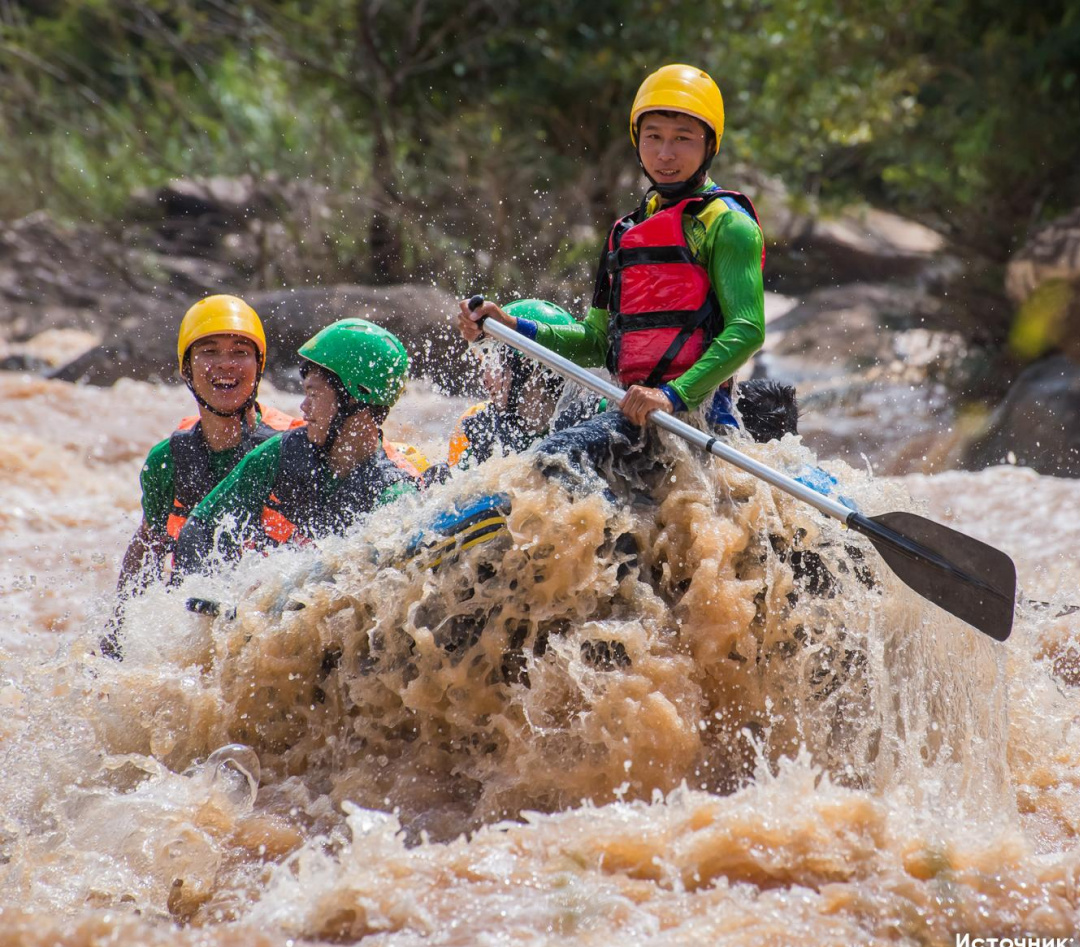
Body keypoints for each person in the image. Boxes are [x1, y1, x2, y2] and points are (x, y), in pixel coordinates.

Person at [456, 63, 764, 491]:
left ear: (710, 145)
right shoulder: (624, 234)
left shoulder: (728, 225)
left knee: (557, 457)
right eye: (653, 137)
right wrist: (510, 327)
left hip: (696, 414)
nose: (665, 154)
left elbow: (747, 330)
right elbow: (595, 342)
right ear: (638, 143)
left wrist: (671, 395)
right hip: (634, 411)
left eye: (682, 139)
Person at [103, 295, 302, 655]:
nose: (226, 364)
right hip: (198, 636)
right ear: (186, 369)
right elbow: (148, 544)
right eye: (209, 352)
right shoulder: (168, 462)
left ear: (259, 366)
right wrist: (116, 635)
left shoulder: (295, 447)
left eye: (240, 352)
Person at [173, 319, 419, 572]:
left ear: (356, 399)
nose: (304, 407)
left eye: (314, 394)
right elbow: (201, 526)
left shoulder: (394, 494)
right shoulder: (283, 451)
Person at [444, 299, 583, 472]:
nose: (485, 379)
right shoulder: (482, 431)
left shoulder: (590, 421)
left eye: (494, 360)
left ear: (529, 365)